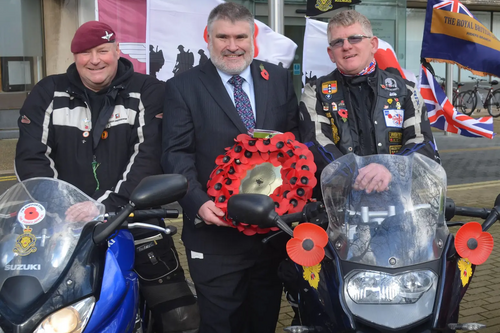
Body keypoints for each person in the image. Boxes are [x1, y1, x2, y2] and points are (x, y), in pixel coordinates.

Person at [14, 21, 199, 333]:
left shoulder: (149, 90)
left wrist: (106, 206)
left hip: (134, 220)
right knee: (29, 308)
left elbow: (149, 156)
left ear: (117, 51)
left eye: (103, 51)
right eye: (86, 52)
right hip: (64, 227)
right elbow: (31, 157)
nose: (95, 59)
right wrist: (62, 208)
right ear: (75, 56)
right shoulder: (48, 91)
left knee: (181, 319)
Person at [161, 3, 300, 333]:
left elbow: (295, 144)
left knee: (263, 322)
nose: (232, 45)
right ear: (208, 37)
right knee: (222, 325)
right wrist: (198, 202)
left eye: (240, 36)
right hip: (215, 235)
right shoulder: (183, 86)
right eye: (223, 36)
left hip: (269, 235)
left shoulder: (277, 78)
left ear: (253, 38)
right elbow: (175, 153)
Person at [299, 10, 439, 196]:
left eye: (355, 38)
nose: (346, 46)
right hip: (340, 204)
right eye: (337, 42)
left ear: (373, 44)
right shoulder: (315, 92)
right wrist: (357, 175)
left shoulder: (406, 90)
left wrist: (389, 169)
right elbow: (315, 143)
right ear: (331, 53)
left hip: (397, 202)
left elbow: (422, 143)